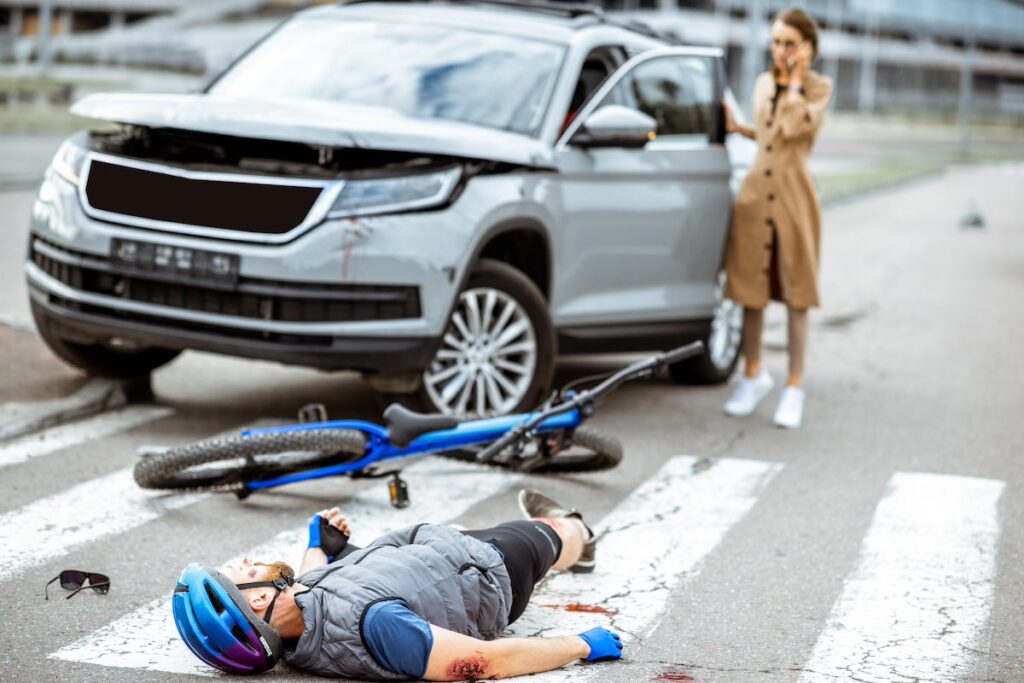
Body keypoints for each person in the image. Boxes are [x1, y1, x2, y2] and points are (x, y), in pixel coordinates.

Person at [171, 489, 624, 680]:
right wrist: (581, 644)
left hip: (435, 553)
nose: (249, 561)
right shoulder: (376, 625)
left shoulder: (298, 625)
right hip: (492, 568)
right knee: (551, 534)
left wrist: (321, 544)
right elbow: (480, 662)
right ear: (262, 601)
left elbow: (312, 583)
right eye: (243, 574)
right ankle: (579, 531)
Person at [722, 7, 833, 429]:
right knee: (749, 289)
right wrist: (740, 128)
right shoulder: (763, 81)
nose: (780, 50)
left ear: (807, 48)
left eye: (789, 43)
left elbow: (792, 128)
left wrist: (798, 82)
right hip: (755, 197)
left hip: (794, 200)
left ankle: (794, 385)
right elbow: (769, 133)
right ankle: (753, 374)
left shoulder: (820, 88)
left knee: (796, 294)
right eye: (776, 41)